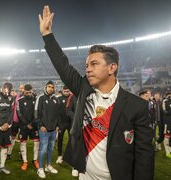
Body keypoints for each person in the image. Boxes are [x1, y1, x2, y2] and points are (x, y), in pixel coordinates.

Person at [38, 6, 154, 180]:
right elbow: (63, 65)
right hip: (85, 175)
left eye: (94, 64)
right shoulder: (84, 88)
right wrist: (47, 35)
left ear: (111, 68)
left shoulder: (136, 106)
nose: (88, 69)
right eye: (86, 65)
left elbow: (144, 156)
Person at [35, 80, 60, 179]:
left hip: (53, 129)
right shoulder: (40, 98)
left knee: (50, 149)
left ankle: (48, 165)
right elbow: (36, 113)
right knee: (42, 150)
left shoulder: (56, 99)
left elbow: (58, 114)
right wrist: (40, 125)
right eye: (49, 86)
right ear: (45, 87)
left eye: (52, 87)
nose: (51, 88)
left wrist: (57, 125)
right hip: (44, 129)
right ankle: (40, 168)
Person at [17, 84, 39, 170]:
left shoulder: (36, 100)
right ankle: (25, 161)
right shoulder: (19, 101)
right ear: (24, 91)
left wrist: (32, 123)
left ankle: (35, 160)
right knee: (23, 143)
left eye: (30, 92)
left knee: (37, 143)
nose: (29, 94)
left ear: (32, 90)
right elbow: (19, 114)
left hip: (34, 126)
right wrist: (27, 124)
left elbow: (37, 113)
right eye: (27, 92)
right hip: (24, 126)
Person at [7, 84, 25, 160]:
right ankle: (9, 153)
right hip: (15, 121)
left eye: (22, 88)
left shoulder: (29, 98)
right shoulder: (16, 97)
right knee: (13, 137)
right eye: (20, 88)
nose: (21, 89)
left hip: (23, 122)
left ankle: (21, 154)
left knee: (22, 139)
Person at [162, 91, 171, 158]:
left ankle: (170, 150)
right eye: (169, 95)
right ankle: (167, 151)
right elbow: (165, 111)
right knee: (167, 136)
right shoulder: (165, 101)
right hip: (167, 122)